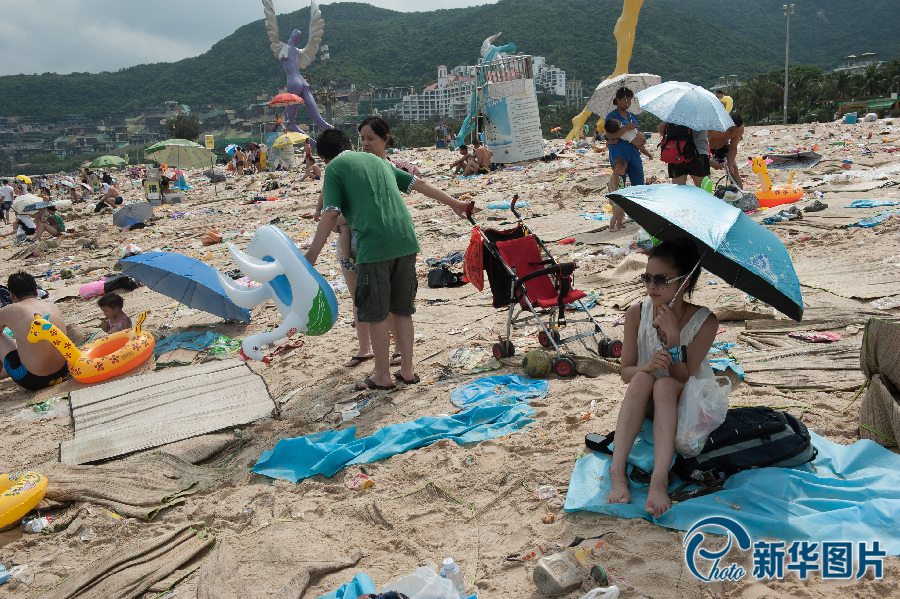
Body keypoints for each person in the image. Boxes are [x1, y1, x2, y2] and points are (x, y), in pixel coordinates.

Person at [305, 128, 471, 390]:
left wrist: (311, 254)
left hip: (375, 245)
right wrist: (453, 203)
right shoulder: (377, 160)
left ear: (324, 157)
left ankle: (382, 375)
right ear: (350, 144)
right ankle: (407, 370)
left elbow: (330, 213)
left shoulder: (334, 168)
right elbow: (418, 184)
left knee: (375, 313)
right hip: (406, 240)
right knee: (402, 311)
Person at [606, 240, 722, 518]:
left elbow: (684, 376)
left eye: (661, 279)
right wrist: (647, 365)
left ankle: (659, 479)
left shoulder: (706, 321)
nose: (651, 286)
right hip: (649, 402)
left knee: (666, 383)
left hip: (688, 405)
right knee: (644, 380)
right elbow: (625, 373)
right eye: (647, 278)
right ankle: (617, 471)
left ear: (686, 281)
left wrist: (674, 340)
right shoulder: (636, 313)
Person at [0, 272, 69, 391]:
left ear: (11, 295)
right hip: (63, 371)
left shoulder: (8, 310)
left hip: (32, 380)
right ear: (36, 292)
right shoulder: (52, 307)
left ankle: (5, 370)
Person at [605, 87, 646, 187]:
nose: (628, 102)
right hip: (619, 151)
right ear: (618, 100)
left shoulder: (633, 116)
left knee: (638, 180)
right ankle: (619, 202)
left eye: (630, 99)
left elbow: (636, 133)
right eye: (625, 99)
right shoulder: (612, 117)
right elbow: (609, 135)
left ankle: (636, 202)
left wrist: (642, 142)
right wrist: (624, 129)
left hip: (634, 151)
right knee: (619, 181)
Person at [657, 121, 710, 187]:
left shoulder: (676, 112)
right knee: (704, 191)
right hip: (698, 153)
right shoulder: (701, 112)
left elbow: (660, 127)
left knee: (679, 191)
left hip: (677, 152)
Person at [707, 113, 745, 189]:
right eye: (730, 130)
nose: (732, 133)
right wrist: (711, 163)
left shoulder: (740, 130)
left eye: (735, 131)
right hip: (708, 148)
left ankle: (740, 194)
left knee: (734, 169)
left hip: (722, 147)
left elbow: (733, 147)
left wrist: (730, 165)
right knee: (705, 172)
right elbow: (703, 146)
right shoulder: (715, 127)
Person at [606, 157, 628, 232]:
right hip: (615, 199)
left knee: (621, 213)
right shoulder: (614, 177)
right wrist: (616, 197)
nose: (625, 171)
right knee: (616, 214)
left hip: (619, 199)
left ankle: (619, 225)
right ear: (618, 169)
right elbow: (614, 189)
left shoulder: (618, 177)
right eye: (624, 169)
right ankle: (611, 227)